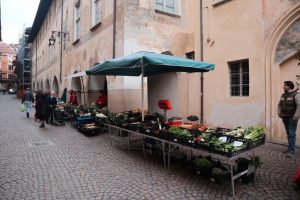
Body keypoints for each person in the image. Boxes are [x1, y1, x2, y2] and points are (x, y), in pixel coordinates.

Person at [278, 81, 300, 158]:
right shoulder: (283, 95)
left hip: (292, 117)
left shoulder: (296, 95)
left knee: (291, 133)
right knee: (289, 133)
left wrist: (296, 116)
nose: (283, 86)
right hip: (285, 117)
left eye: (285, 85)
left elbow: (299, 106)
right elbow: (279, 105)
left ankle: (291, 151)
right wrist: (279, 113)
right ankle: (290, 148)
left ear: (289, 86)